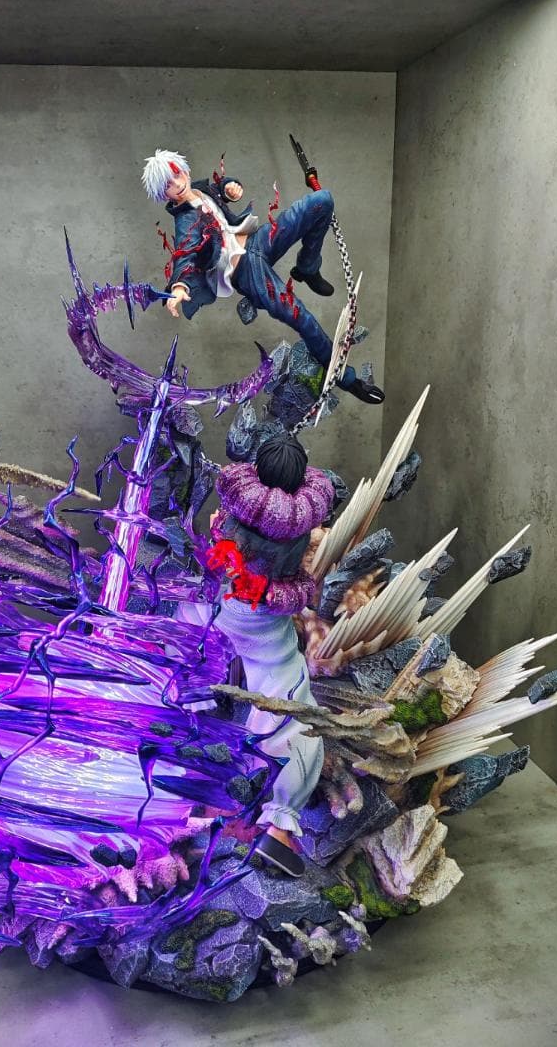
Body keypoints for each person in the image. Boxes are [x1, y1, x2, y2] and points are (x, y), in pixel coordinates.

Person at [180, 434, 335, 876]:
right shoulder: (301, 515)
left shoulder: (241, 498)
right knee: (292, 704)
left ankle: (188, 735)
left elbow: (218, 546)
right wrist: (285, 592)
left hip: (219, 608)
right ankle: (280, 825)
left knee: (184, 652)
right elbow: (297, 587)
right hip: (259, 619)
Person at [141, 148, 384, 405]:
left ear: (185, 171)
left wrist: (229, 187)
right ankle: (346, 378)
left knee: (321, 201)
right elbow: (185, 254)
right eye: (168, 186)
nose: (177, 184)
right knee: (299, 315)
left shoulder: (201, 190)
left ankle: (307, 268)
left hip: (257, 241)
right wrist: (179, 287)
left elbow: (219, 189)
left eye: (177, 175)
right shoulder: (184, 222)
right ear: (163, 194)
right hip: (247, 272)